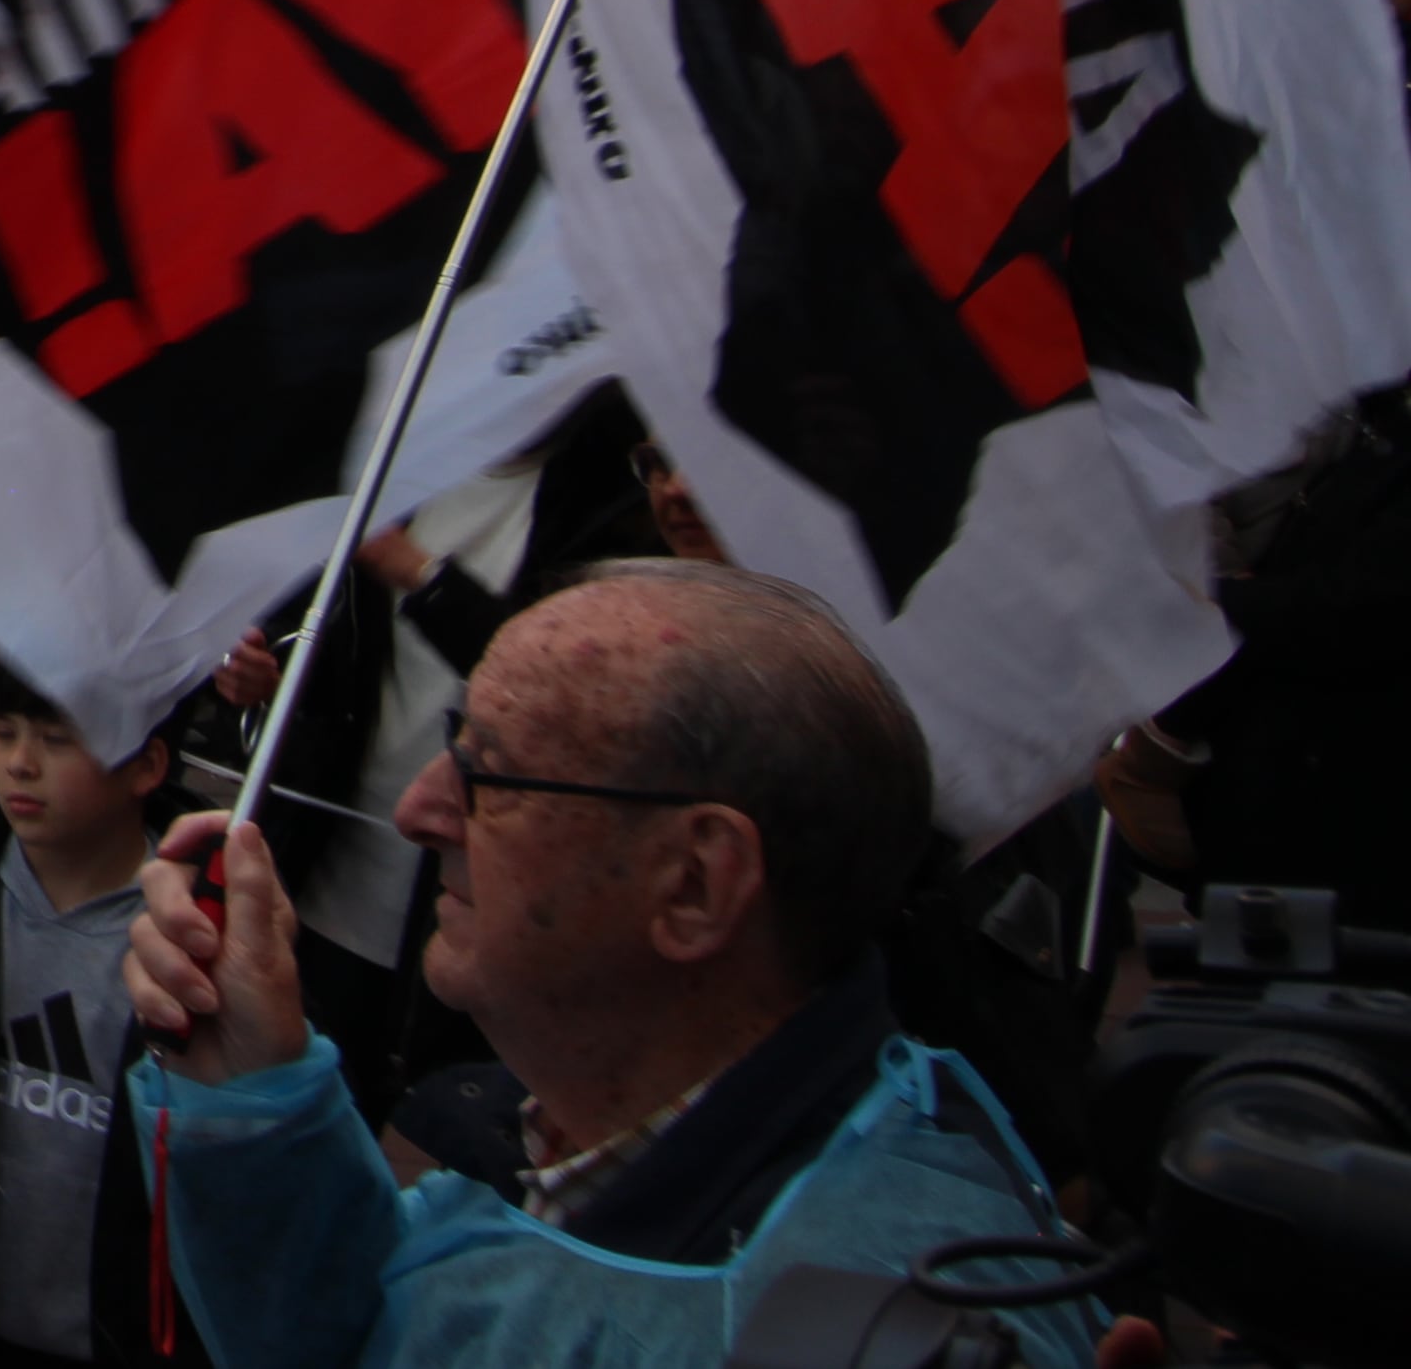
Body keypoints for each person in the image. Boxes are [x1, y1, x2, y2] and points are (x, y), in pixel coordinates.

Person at [120, 561, 1092, 1369]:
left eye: (486, 772)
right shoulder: (663, 1150)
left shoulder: (872, 1321)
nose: (419, 812)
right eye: (447, 742)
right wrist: (254, 1090)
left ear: (694, 883)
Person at [0, 679, 187, 1365]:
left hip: (114, 1330)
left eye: (57, 739)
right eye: (4, 732)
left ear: (146, 765)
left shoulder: (190, 929)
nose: (20, 763)